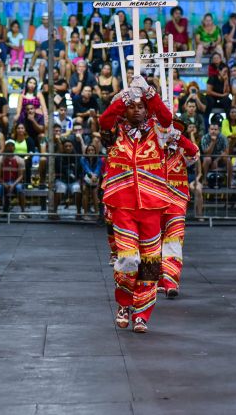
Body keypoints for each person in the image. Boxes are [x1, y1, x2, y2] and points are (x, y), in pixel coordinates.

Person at [99, 75, 172, 333]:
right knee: (128, 260)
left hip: (152, 205)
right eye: (133, 106)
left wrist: (149, 93)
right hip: (123, 205)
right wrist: (123, 99)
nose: (137, 110)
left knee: (151, 263)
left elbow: (167, 118)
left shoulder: (158, 130)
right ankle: (123, 304)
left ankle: (142, 314)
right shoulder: (115, 129)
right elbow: (103, 120)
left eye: (141, 106)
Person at [157, 120, 199, 299]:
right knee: (153, 242)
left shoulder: (183, 149)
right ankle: (157, 279)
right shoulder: (153, 148)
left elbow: (194, 152)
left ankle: (171, 282)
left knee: (173, 240)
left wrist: (179, 138)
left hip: (176, 202)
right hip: (154, 201)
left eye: (171, 131)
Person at [0, 140, 27, 216]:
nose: (10, 147)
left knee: (20, 188)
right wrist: (5, 184)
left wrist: (13, 185)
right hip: (3, 182)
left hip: (15, 182)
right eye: (8, 146)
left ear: (14, 147)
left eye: (12, 145)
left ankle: (23, 212)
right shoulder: (0, 159)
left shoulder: (20, 160)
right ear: (5, 147)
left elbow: (21, 176)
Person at [80, 144, 103, 219]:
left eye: (92, 150)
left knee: (95, 192)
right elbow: (85, 168)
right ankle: (85, 213)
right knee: (85, 191)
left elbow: (98, 168)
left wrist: (95, 175)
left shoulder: (99, 159)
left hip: (96, 179)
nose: (90, 152)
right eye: (89, 150)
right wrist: (91, 174)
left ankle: (97, 213)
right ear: (86, 152)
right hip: (85, 179)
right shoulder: (83, 159)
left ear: (95, 151)